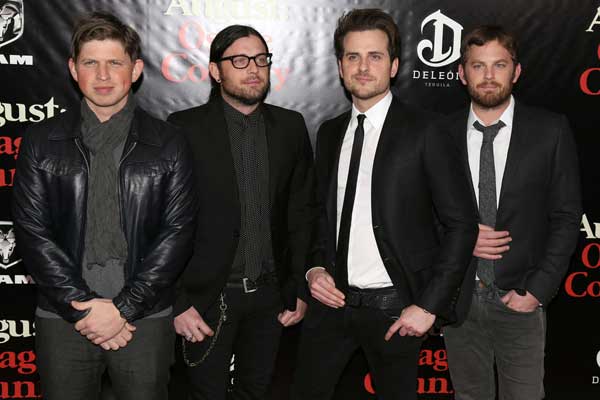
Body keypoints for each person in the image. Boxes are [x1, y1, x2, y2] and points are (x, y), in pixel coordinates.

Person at [291, 8, 477, 400]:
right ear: (340, 67)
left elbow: (461, 225)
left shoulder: (427, 130)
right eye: (353, 56)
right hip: (331, 304)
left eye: (374, 56)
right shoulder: (329, 133)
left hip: (396, 309)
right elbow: (320, 215)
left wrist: (428, 306)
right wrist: (314, 268)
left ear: (393, 66)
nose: (363, 67)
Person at [11, 11, 197, 400]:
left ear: (136, 70)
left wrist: (123, 308)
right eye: (90, 63)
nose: (102, 75)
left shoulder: (169, 142)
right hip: (63, 316)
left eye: (114, 62)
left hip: (145, 318)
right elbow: (32, 232)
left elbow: (177, 232)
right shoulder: (41, 140)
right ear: (73, 69)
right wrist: (84, 309)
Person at [167, 24, 314, 400]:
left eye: (261, 59)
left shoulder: (290, 126)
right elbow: (165, 223)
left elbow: (301, 213)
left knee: (259, 391)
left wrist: (298, 288)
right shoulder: (184, 129)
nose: (253, 68)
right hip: (208, 300)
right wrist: (178, 302)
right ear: (215, 71)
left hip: (270, 300)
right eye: (240, 60)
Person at [442, 25, 582, 400]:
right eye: (478, 66)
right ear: (462, 73)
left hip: (520, 300)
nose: (489, 76)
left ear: (516, 71)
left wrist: (537, 290)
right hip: (459, 299)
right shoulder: (440, 133)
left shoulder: (550, 130)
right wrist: (461, 240)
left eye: (499, 65)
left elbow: (566, 216)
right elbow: (424, 214)